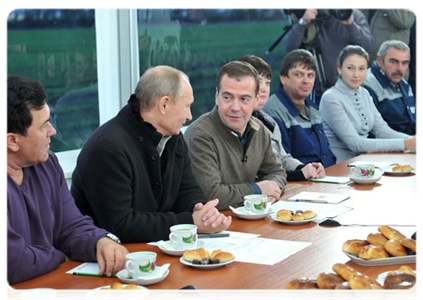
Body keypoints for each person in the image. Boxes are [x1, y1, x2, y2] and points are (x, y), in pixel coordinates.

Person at [71, 66, 231, 243]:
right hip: (111, 259)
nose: (189, 116)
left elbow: (187, 191)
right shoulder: (107, 147)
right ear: (164, 104)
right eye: (187, 106)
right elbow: (120, 225)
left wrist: (203, 213)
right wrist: (189, 222)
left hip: (156, 249)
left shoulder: (173, 137)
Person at [5, 76, 128, 285]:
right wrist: (59, 255)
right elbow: (11, 262)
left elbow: (70, 226)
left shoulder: (47, 163)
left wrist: (101, 241)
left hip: (50, 285)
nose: (52, 131)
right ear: (12, 141)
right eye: (43, 126)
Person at [184, 61, 287, 210]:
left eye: (244, 99)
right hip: (215, 226)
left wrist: (272, 188)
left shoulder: (260, 130)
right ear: (216, 96)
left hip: (251, 220)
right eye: (227, 97)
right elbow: (211, 195)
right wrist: (258, 190)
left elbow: (277, 171)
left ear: (256, 100)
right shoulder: (199, 135)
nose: (235, 107)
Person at [319, 45, 420, 163]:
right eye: (350, 68)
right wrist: (405, 144)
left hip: (366, 163)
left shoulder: (364, 93)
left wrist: (414, 141)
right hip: (340, 168)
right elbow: (355, 144)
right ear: (339, 69)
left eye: (362, 68)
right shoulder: (330, 98)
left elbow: (383, 131)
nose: (356, 74)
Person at [237, 55, 325, 181]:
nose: (263, 89)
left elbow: (282, 158)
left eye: (267, 83)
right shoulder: (239, 122)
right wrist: (300, 174)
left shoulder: (268, 121)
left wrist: (304, 168)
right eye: (258, 82)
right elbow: (261, 173)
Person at [262, 49, 336, 167]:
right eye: (298, 74)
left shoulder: (314, 109)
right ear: (283, 78)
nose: (306, 81)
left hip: (324, 176)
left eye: (310, 75)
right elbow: (282, 162)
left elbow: (326, 155)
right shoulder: (273, 111)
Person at [284, 8, 374, 102]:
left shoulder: (351, 13)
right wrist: (303, 22)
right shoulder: (311, 16)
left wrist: (351, 25)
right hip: (319, 91)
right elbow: (290, 48)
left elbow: (369, 48)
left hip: (350, 90)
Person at [363, 40, 419, 135]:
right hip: (388, 146)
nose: (400, 68)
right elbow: (372, 133)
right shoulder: (367, 85)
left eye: (404, 63)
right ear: (380, 61)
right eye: (393, 62)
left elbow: (414, 122)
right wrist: (409, 141)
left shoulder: (404, 84)